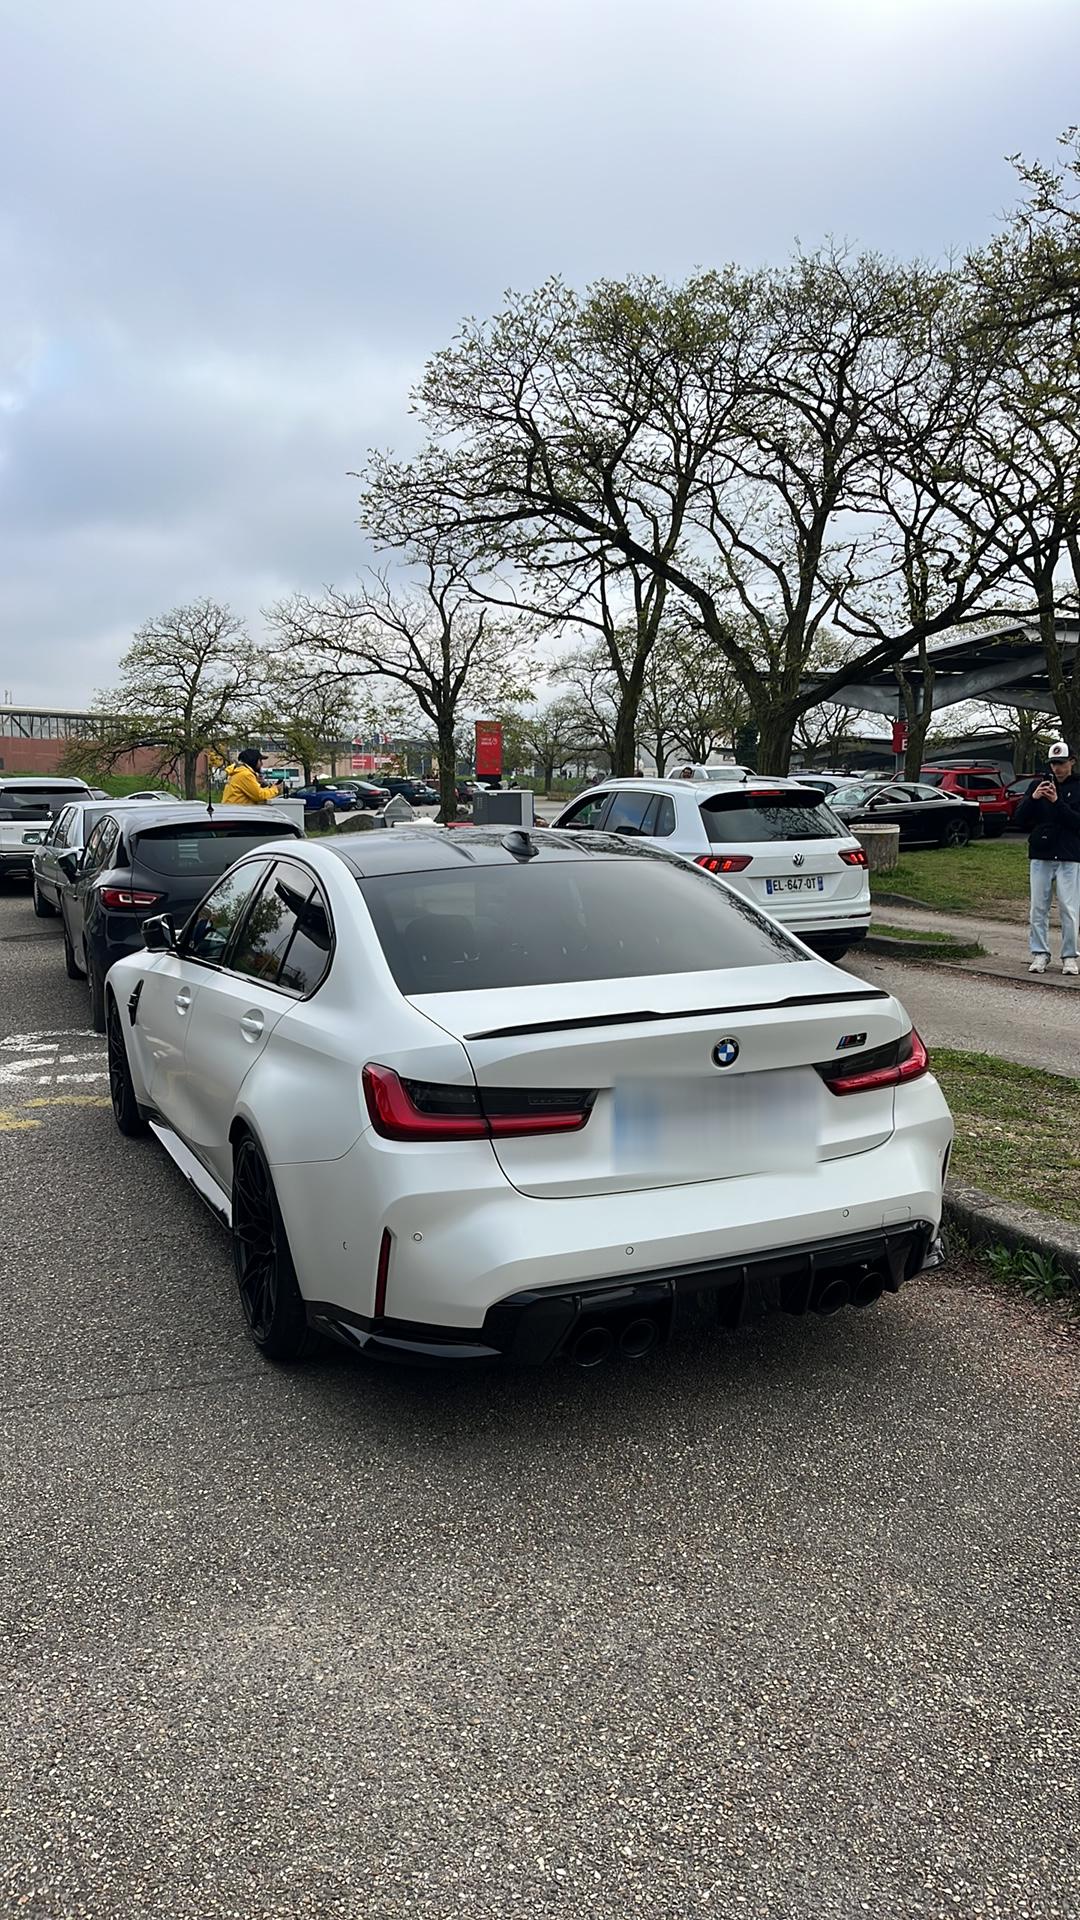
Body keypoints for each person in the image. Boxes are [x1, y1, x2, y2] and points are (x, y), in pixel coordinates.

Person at [1012, 739, 1080, 976]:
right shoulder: (1036, 786)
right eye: (1053, 763)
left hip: (1069, 855)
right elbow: (1018, 819)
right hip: (1041, 854)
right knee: (1037, 908)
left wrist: (1056, 802)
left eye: (1061, 763)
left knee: (1069, 908)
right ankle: (1040, 953)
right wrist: (1034, 798)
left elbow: (1076, 822)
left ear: (1072, 762)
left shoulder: (1079, 786)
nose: (1057, 768)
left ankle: (1070, 956)